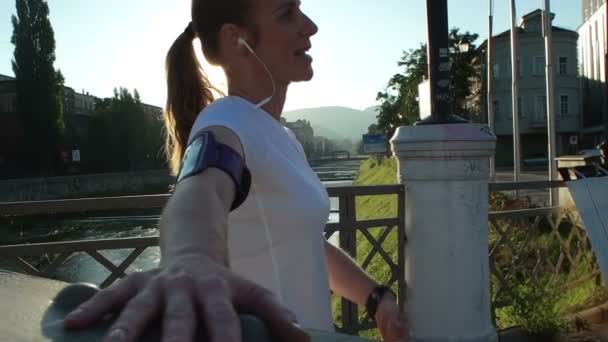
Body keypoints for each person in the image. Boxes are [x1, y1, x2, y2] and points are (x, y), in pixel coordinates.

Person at [63, 0, 408, 341]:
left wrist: (376, 298)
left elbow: (304, 243)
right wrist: (189, 258)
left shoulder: (282, 136)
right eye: (287, 14)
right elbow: (201, 187)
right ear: (235, 39)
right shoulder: (224, 120)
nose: (310, 26)